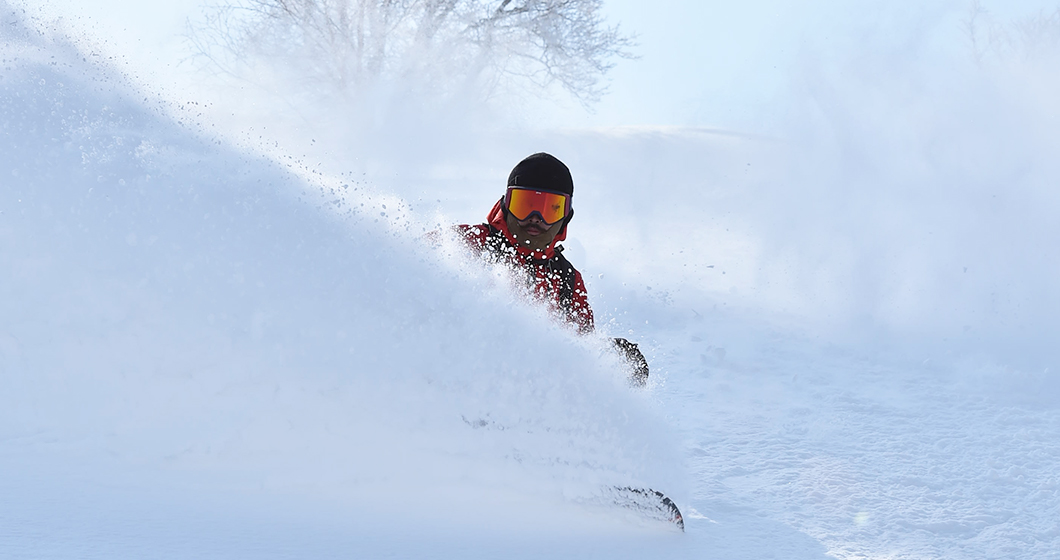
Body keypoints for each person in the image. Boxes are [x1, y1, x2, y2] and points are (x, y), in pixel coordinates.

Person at [452, 152, 650, 386]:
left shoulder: (567, 279)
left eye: (550, 210)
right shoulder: (467, 243)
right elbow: (409, 278)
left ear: (566, 217)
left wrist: (610, 358)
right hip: (459, 383)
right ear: (506, 205)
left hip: (525, 396)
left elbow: (580, 351)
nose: (535, 218)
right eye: (524, 205)